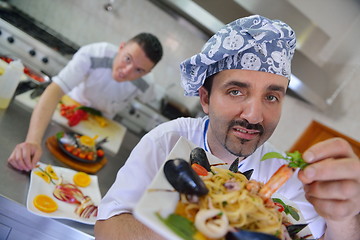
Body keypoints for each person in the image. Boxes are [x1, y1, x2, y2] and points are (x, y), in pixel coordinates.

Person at [94, 15, 360, 240]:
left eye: (271, 97)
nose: (254, 116)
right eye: (235, 91)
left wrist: (345, 218)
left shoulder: (289, 178)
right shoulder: (168, 140)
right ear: (206, 99)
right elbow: (107, 226)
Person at [8, 33, 163, 172]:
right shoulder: (93, 53)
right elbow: (55, 91)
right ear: (121, 47)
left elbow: (152, 107)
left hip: (100, 129)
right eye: (127, 59)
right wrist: (33, 141)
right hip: (67, 115)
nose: (127, 71)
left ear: (147, 73)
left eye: (139, 70)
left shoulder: (147, 84)